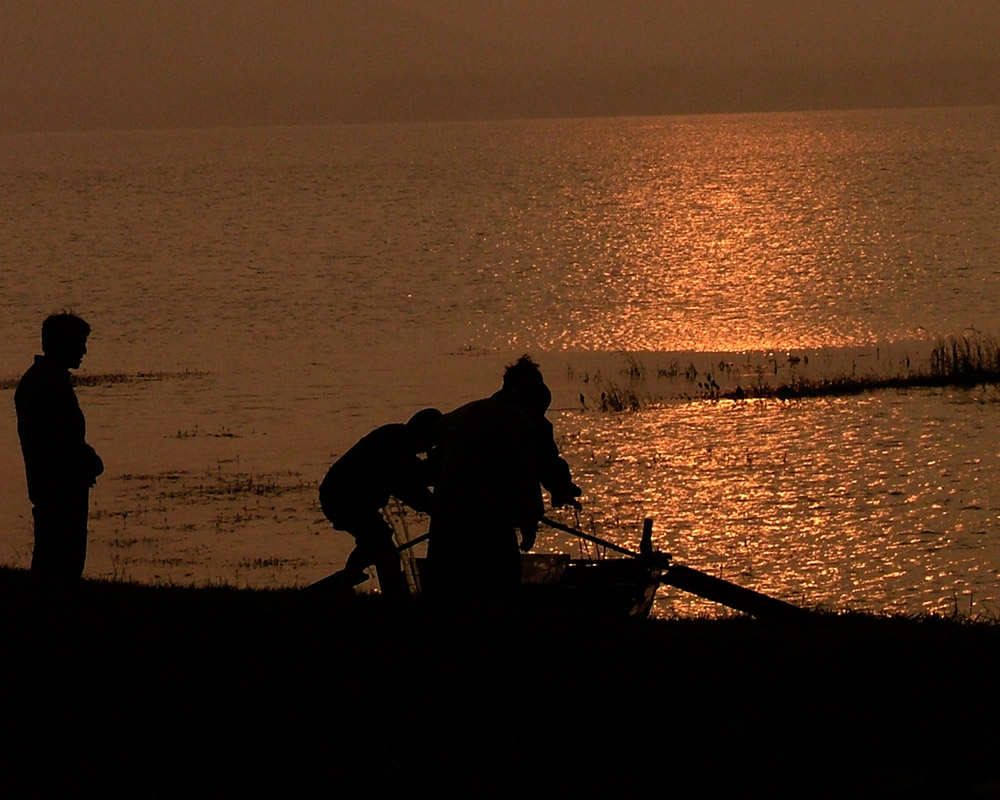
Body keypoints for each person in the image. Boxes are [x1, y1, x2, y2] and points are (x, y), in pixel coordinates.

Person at [425, 355, 581, 595]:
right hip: (488, 520)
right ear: (520, 394)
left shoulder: (465, 413)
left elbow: (544, 460)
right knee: (501, 587)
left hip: (446, 516)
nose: (540, 417)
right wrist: (530, 525)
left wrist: (560, 486)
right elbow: (527, 478)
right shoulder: (520, 423)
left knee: (444, 591)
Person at [14, 313, 104, 582]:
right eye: (80, 343)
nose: (84, 351)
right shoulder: (49, 383)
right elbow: (61, 439)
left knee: (54, 556)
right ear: (63, 344)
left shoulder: (41, 379)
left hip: (51, 482)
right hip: (59, 485)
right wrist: (89, 461)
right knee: (63, 560)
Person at [318, 408, 441, 596]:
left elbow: (412, 480)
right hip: (344, 499)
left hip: (348, 498)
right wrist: (435, 506)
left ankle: (344, 586)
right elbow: (409, 486)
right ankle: (393, 597)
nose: (426, 449)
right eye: (429, 442)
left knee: (372, 542)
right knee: (385, 550)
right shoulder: (397, 445)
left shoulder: (397, 439)